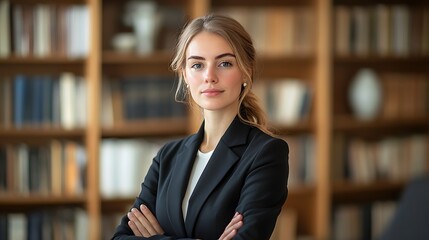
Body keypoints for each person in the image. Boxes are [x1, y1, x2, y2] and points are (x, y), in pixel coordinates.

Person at [112, 14, 289, 240]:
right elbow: (120, 237)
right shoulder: (168, 156)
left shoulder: (266, 153)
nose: (209, 77)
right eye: (197, 65)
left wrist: (157, 238)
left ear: (247, 71)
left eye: (224, 63)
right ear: (184, 74)